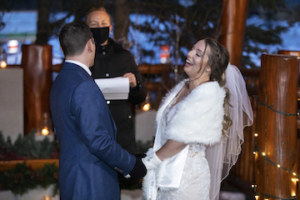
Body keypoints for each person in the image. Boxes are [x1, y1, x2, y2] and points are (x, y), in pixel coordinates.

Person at [142, 38, 253, 200]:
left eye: (198, 54)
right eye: (192, 49)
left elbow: (181, 138)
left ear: (209, 67)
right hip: (165, 171)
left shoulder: (208, 95)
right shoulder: (182, 87)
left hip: (186, 179)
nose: (189, 54)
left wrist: (150, 161)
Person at [49, 21, 147, 200]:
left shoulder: (60, 80)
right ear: (89, 44)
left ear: (64, 48)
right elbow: (98, 141)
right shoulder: (84, 85)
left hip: (72, 177)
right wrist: (132, 164)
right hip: (91, 182)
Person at [85, 7, 147, 155]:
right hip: (92, 129)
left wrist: (134, 85)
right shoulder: (83, 57)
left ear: (110, 27)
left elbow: (140, 97)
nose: (100, 27)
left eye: (103, 23)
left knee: (124, 175)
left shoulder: (124, 56)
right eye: (94, 24)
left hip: (122, 132)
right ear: (87, 29)